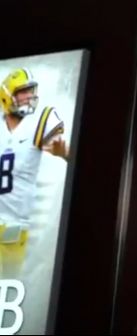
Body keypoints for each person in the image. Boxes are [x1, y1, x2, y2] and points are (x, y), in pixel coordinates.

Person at [0, 68, 68, 278]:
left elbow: (70, 151)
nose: (29, 96)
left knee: (7, 282)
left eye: (31, 91)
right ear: (6, 95)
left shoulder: (38, 121)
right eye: (23, 91)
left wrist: (65, 153)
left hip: (13, 225)